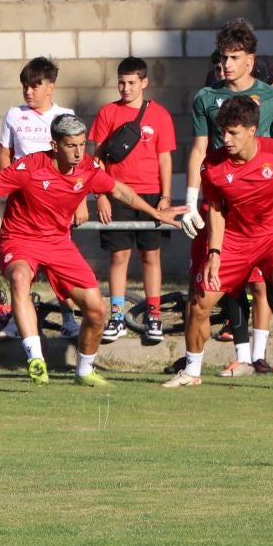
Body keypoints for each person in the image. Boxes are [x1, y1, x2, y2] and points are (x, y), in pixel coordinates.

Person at [0, 113, 181, 385]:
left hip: (59, 243)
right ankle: (35, 359)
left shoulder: (87, 167)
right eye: (71, 145)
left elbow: (120, 191)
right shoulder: (29, 167)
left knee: (97, 310)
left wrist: (155, 213)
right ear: (54, 145)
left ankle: (84, 371)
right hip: (21, 240)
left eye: (82, 144)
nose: (78, 152)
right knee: (19, 278)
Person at [163, 96, 273, 387]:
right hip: (235, 239)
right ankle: (192, 372)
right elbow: (216, 209)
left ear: (252, 130)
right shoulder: (212, 166)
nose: (226, 139)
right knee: (199, 304)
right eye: (223, 131)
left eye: (233, 132)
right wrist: (214, 252)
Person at [184, 19, 273, 374]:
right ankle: (232, 358)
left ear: (250, 60)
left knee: (268, 284)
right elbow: (199, 148)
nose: (226, 64)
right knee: (213, 283)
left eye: (234, 57)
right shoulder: (206, 97)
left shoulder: (272, 98)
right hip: (218, 202)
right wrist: (190, 200)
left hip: (261, 207)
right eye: (223, 57)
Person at [89, 57, 175, 345]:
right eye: (121, 83)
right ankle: (116, 316)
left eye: (131, 82)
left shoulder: (160, 115)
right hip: (116, 194)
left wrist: (165, 197)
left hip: (151, 196)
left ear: (144, 82)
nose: (125, 88)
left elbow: (165, 158)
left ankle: (153, 316)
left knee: (151, 256)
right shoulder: (107, 113)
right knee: (119, 256)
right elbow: (97, 159)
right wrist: (101, 195)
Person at [0, 56, 74, 171]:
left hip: (53, 179)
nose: (28, 92)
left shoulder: (66, 115)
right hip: (21, 178)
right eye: (25, 86)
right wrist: (8, 180)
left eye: (34, 87)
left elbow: (72, 154)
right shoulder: (14, 114)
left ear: (50, 88)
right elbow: (5, 153)